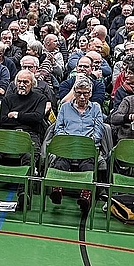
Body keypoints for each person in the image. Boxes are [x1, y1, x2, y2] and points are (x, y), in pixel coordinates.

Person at [48, 75, 105, 212]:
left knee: (88, 164)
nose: (82, 97)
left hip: (87, 146)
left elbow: (98, 131)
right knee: (61, 161)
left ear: (90, 94)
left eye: (85, 93)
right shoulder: (65, 107)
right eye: (79, 93)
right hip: (67, 145)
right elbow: (59, 128)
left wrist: (86, 142)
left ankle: (86, 195)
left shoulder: (96, 108)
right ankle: (57, 189)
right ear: (74, 92)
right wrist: (68, 141)